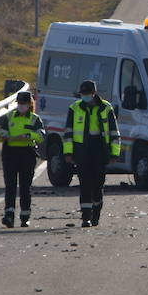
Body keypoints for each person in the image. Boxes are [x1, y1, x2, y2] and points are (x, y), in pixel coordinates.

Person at [63, 80, 121, 227]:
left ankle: (96, 213)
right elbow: (68, 133)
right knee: (85, 184)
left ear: (94, 93)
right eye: (83, 94)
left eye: (87, 94)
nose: (85, 97)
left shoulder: (106, 108)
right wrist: (68, 152)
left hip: (100, 149)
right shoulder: (74, 108)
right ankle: (86, 217)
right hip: (82, 149)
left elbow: (114, 133)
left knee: (98, 184)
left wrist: (114, 154)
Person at [0, 90, 44, 228]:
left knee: (25, 187)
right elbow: (1, 133)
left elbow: (41, 135)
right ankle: (9, 215)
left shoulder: (35, 119)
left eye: (24, 103)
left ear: (30, 104)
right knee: (10, 186)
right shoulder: (9, 117)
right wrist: (8, 136)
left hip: (27, 154)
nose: (21, 106)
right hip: (10, 153)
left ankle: (25, 216)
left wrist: (28, 136)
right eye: (19, 103)